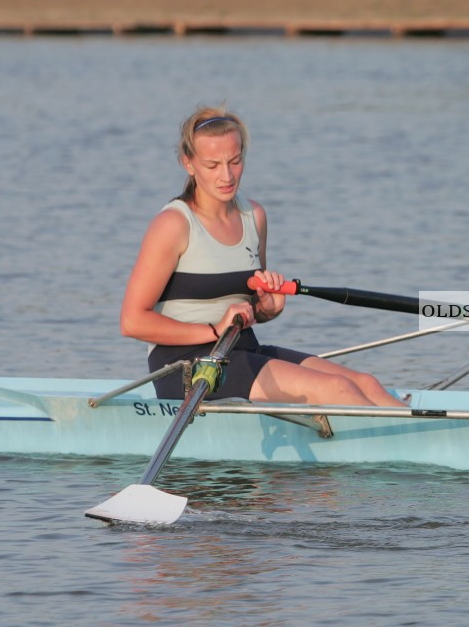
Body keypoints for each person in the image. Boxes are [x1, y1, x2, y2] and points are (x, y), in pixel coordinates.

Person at [121, 106, 404, 407]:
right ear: (188, 164)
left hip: (241, 350)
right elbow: (132, 321)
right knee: (337, 390)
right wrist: (214, 330)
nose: (227, 175)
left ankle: (435, 442)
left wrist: (267, 308)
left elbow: (255, 307)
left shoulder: (253, 216)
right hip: (189, 367)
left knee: (364, 383)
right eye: (212, 165)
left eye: (235, 161)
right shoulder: (174, 224)